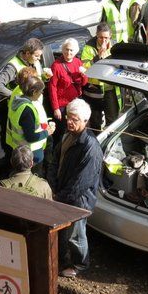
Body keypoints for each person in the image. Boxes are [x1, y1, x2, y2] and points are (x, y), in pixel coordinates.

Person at [49, 98, 103, 278]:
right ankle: (62, 259)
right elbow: (55, 159)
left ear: (85, 121)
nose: (70, 122)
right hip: (62, 193)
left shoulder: (90, 148)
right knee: (63, 233)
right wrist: (52, 184)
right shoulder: (67, 136)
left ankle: (80, 264)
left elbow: (81, 183)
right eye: (68, 118)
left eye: (75, 119)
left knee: (76, 235)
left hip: (78, 201)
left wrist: (59, 196)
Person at [6, 75, 55, 166]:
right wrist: (47, 132)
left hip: (20, 150)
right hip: (30, 153)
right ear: (34, 92)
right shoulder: (27, 110)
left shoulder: (17, 101)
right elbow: (31, 137)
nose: (42, 93)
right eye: (41, 91)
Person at [81, 23, 121, 130]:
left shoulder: (115, 46)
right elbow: (85, 68)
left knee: (112, 119)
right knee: (95, 121)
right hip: (95, 89)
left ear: (110, 36)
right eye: (101, 38)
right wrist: (97, 56)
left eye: (106, 38)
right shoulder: (89, 48)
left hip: (110, 88)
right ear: (96, 35)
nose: (104, 41)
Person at [48, 38, 88, 141]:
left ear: (75, 51)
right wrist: (56, 108)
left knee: (75, 128)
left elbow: (84, 83)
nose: (68, 52)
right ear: (62, 49)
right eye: (66, 49)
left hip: (75, 103)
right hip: (62, 106)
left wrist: (84, 75)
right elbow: (52, 87)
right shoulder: (56, 66)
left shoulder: (78, 62)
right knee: (63, 131)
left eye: (71, 50)